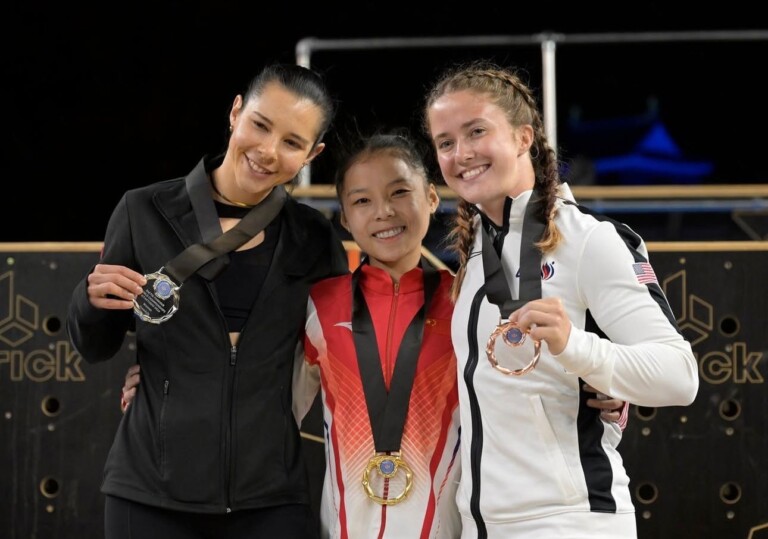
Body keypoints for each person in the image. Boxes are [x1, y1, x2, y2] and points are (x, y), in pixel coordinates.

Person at [66, 63, 349, 539]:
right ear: (236, 112)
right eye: (260, 125)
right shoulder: (144, 210)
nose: (267, 151)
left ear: (311, 154)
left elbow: (341, 352)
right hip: (150, 492)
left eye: (292, 142)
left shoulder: (314, 238)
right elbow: (95, 346)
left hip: (272, 497)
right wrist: (89, 301)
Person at [422, 60, 699, 538]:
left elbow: (679, 376)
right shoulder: (473, 256)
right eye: (446, 143)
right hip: (484, 524)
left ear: (524, 137)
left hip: (571, 520)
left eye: (476, 132)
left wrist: (577, 347)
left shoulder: (591, 239)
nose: (461, 153)